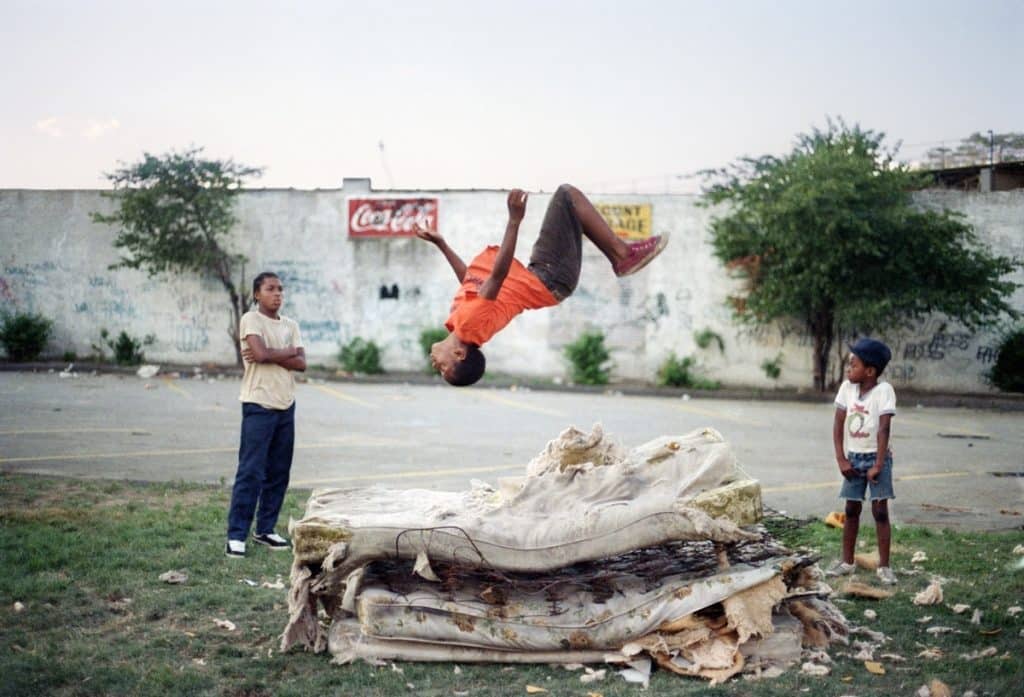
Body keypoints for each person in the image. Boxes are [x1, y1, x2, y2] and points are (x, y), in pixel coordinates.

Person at [417, 184, 668, 386]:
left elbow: (470, 279)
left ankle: (620, 255)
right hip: (550, 277)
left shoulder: (462, 322)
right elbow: (496, 276)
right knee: (567, 196)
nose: (435, 365)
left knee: (571, 210)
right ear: (459, 355)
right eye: (443, 368)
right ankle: (622, 256)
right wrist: (514, 221)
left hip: (546, 276)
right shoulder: (469, 325)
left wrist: (442, 245)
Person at [225, 272, 306, 558]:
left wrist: (273, 353)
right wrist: (286, 353)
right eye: (271, 289)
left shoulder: (290, 325)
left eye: (281, 289)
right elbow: (258, 355)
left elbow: (302, 362)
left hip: (286, 404)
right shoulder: (251, 319)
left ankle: (265, 529)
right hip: (258, 404)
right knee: (251, 471)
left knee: (278, 472)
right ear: (257, 294)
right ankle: (236, 535)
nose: (278, 294)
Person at [826, 338, 897, 584]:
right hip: (853, 460)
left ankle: (885, 566)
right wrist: (841, 459)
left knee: (879, 511)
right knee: (851, 509)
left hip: (878, 458)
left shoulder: (884, 391)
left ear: (870, 371)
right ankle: (847, 562)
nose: (848, 369)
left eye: (853, 365)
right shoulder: (847, 389)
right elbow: (837, 424)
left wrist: (878, 464)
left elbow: (884, 429)